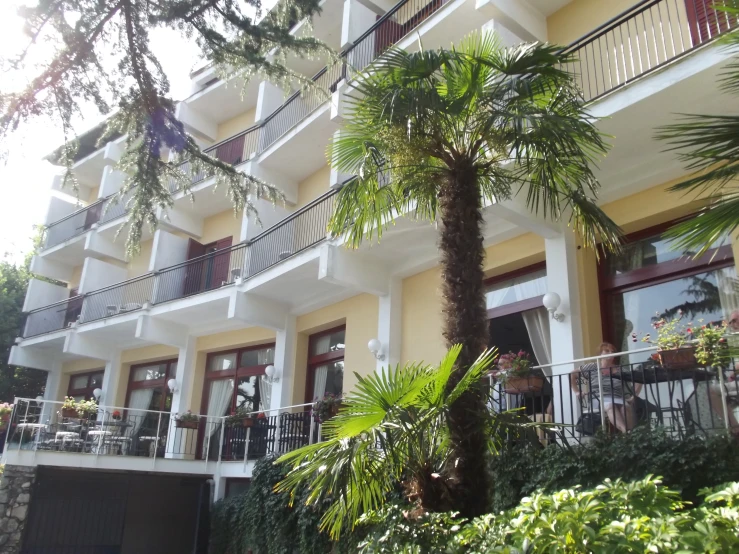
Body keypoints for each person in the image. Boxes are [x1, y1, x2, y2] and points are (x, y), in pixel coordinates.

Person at [571, 342, 641, 434]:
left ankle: (631, 434)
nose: (610, 353)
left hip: (618, 398)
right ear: (600, 353)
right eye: (607, 351)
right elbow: (572, 374)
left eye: (612, 351)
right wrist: (577, 392)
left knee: (625, 407)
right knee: (610, 405)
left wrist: (634, 396)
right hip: (598, 399)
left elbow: (638, 379)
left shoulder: (620, 369)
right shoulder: (592, 367)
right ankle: (625, 432)